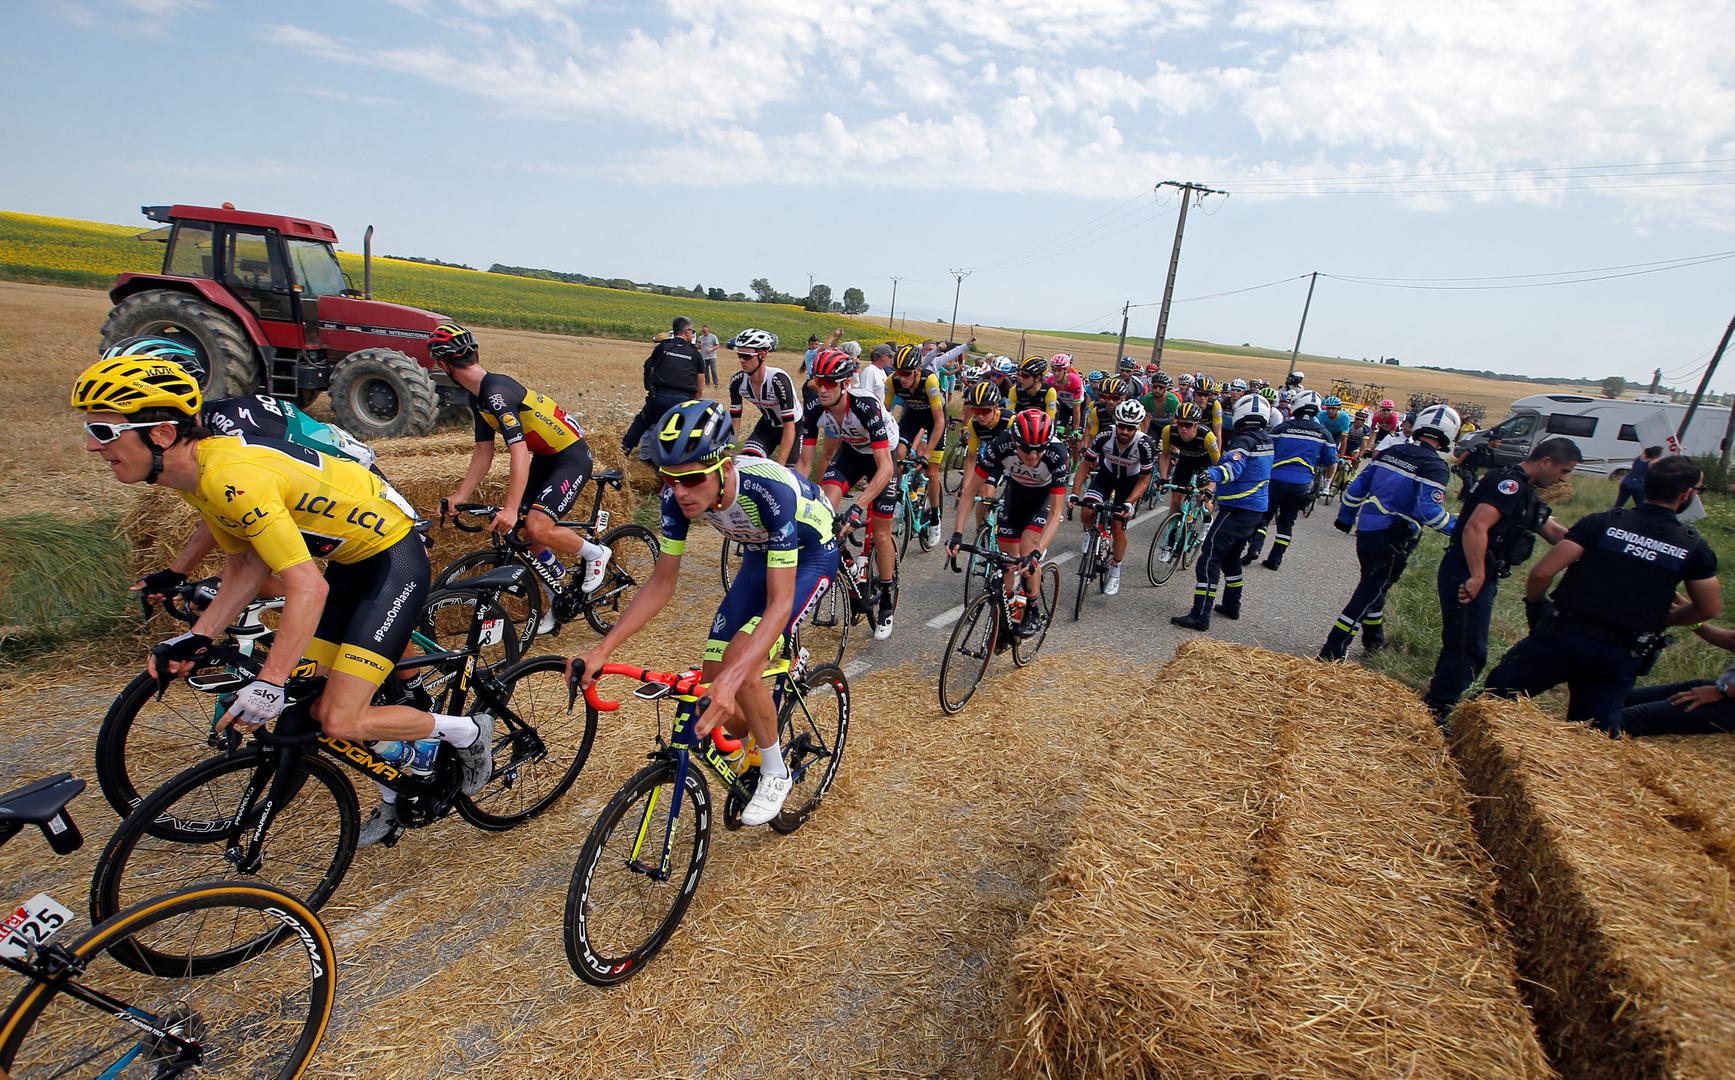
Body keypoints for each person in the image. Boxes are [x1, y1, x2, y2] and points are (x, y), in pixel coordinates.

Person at [72, 352, 494, 849]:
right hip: (351, 563)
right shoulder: (198, 476)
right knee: (312, 700)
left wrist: (269, 681)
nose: (91, 446)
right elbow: (246, 565)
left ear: (162, 434)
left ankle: (465, 731)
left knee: (339, 717)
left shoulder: (229, 479)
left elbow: (306, 587)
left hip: (391, 560)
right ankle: (393, 791)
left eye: (104, 432)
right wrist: (196, 637)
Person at [574, 400, 839, 827]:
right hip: (758, 554)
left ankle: (776, 770)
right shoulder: (676, 496)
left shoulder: (769, 492)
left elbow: (780, 602)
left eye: (693, 479)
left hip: (809, 555)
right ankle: (760, 724)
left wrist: (738, 676)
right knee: (718, 695)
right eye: (670, 479)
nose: (681, 492)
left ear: (725, 469)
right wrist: (603, 648)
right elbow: (661, 583)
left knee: (743, 666)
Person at [1483, 455, 1722, 727]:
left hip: (1563, 634)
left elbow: (1542, 573)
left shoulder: (1603, 522)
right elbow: (1709, 608)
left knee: (1494, 702)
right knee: (1591, 734)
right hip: (1619, 652)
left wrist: (1536, 605)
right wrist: (1664, 620)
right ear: (1686, 494)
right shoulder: (1693, 547)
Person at [436, 322, 613, 623]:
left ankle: (596, 554)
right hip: (546, 457)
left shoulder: (495, 392)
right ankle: (557, 595)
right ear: (475, 353)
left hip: (570, 456)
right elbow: (483, 451)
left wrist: (510, 507)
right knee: (523, 531)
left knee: (537, 527)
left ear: (442, 365)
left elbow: (519, 452)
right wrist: (459, 496)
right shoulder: (477, 397)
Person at [1423, 438, 1580, 722]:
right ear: (1546, 461)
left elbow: (1554, 531)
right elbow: (1475, 526)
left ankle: (1438, 706)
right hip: (1468, 571)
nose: (1563, 479)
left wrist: (1594, 544)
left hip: (1479, 572)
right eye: (1564, 471)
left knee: (1468, 646)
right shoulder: (1510, 484)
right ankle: (1436, 711)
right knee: (1466, 649)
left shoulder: (1525, 491)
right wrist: (1477, 574)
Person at [1318, 405, 1460, 661]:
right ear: (1449, 434)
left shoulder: (1391, 452)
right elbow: (1430, 512)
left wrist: (1346, 516)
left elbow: (1357, 487)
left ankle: (1374, 641)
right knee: (1368, 592)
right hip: (1395, 538)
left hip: (1367, 531)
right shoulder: (1435, 467)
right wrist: (1460, 530)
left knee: (1377, 589)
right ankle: (1332, 650)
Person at [799, 349, 898, 640]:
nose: (824, 388)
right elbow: (805, 462)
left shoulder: (865, 405)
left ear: (845, 384)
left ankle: (888, 599)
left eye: (831, 382)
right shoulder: (816, 406)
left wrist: (858, 507)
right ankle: (850, 567)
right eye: (819, 381)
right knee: (823, 513)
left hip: (882, 457)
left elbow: (885, 469)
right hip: (853, 453)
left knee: (880, 533)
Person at [947, 409, 1069, 637]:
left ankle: (1032, 606)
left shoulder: (1057, 454)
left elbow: (1056, 513)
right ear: (1014, 441)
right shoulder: (1000, 445)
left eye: (1039, 450)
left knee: (1027, 547)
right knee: (1007, 560)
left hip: (1042, 498)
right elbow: (970, 490)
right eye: (1026, 449)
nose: (1033, 457)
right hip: (1016, 494)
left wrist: (1036, 553)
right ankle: (1009, 604)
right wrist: (957, 533)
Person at [1171, 394, 1273, 630]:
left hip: (1237, 509)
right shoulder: (1265, 440)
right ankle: (1231, 604)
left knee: (1208, 559)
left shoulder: (1243, 441)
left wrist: (1212, 475)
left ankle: (1200, 615)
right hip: (1255, 510)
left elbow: (1232, 468)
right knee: (1230, 559)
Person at [1242, 390, 1337, 571]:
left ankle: (1255, 548)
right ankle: (1275, 560)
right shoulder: (1324, 433)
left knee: (1264, 517)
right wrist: (1325, 485)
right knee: (1287, 522)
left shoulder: (1282, 428)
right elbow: (1331, 463)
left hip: (1276, 479)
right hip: (1300, 484)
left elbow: (1266, 451)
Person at [1069, 399, 1155, 595]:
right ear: (1117, 423)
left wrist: (1129, 502)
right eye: (1122, 426)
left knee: (1117, 526)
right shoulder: (1105, 435)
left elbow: (1144, 479)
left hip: (1130, 484)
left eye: (1130, 428)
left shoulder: (1145, 444)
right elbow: (1085, 465)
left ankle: (1115, 569)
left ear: (1138, 426)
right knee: (1087, 511)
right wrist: (1074, 492)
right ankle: (1093, 533)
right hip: (1106, 477)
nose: (1124, 431)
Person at [1605, 622, 1735, 736]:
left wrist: (1721, 691)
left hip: (1728, 699)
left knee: (1617, 721)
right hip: (1723, 688)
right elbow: (1732, 640)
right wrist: (1694, 621)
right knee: (1608, 701)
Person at [623, 316, 707, 460]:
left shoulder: (663, 347)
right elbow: (700, 386)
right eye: (692, 331)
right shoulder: (695, 354)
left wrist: (652, 388)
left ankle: (622, 453)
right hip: (682, 401)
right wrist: (691, 402)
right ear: (687, 331)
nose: (693, 334)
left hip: (659, 397)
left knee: (641, 422)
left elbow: (650, 368)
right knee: (681, 432)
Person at [888, 344, 947, 543]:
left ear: (917, 370)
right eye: (898, 372)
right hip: (912, 416)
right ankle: (898, 499)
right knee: (897, 456)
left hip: (933, 419)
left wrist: (927, 452)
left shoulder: (929, 380)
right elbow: (885, 415)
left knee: (931, 473)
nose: (902, 378)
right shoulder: (893, 381)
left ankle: (935, 517)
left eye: (906, 373)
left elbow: (939, 422)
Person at [726, 328, 802, 466]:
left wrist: (780, 466)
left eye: (747, 356)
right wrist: (727, 451)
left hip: (793, 427)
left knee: (790, 474)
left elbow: (789, 427)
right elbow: (735, 421)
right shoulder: (737, 382)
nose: (742, 360)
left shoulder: (778, 380)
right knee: (747, 464)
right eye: (739, 355)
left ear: (763, 354)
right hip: (767, 426)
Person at [1157, 402, 1220, 514]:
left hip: (1204, 463)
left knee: (1204, 500)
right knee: (1175, 499)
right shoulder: (1169, 431)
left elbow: (1218, 466)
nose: (1183, 429)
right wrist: (1163, 478)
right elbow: (1165, 455)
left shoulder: (1207, 436)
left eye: (1188, 425)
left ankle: (1207, 523)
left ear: (1196, 425)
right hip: (1185, 462)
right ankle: (1172, 529)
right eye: (1180, 424)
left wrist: (1210, 489)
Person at [1452, 434, 1503, 500]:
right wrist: (1457, 464)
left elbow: (1489, 467)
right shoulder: (1480, 446)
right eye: (1498, 442)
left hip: (1474, 470)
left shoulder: (1491, 453)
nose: (1499, 444)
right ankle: (1463, 499)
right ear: (1492, 441)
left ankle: (1461, 497)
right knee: (1469, 484)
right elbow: (1466, 453)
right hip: (1465, 467)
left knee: (1474, 486)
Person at [1008, 356, 1058, 420]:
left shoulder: (1049, 391)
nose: (1021, 379)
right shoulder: (1014, 390)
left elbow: (1051, 419)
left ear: (1037, 378)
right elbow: (1010, 417)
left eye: (1025, 376)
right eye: (1019, 374)